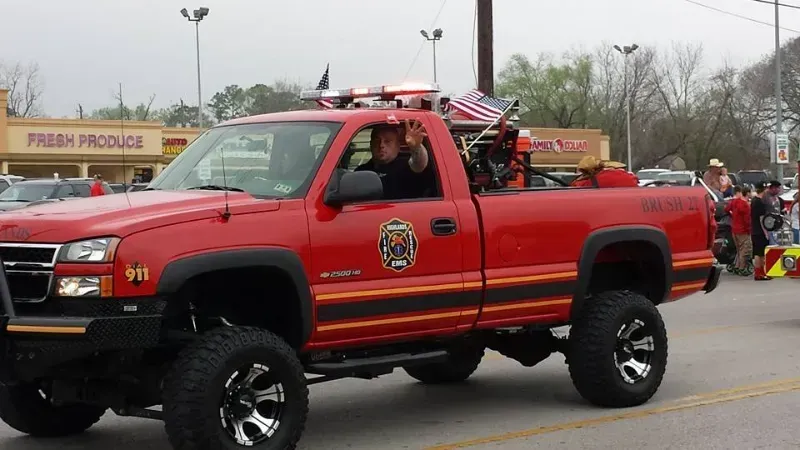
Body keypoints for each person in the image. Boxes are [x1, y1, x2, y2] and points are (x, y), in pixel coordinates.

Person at [354, 119, 436, 200]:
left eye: (387, 141)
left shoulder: (407, 168)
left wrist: (416, 148)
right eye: (377, 140)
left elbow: (419, 164)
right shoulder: (361, 172)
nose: (381, 145)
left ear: (398, 145)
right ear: (371, 144)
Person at [724, 185, 752, 275]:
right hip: (743, 230)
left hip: (734, 229)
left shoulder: (734, 202)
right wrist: (749, 230)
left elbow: (726, 209)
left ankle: (736, 265)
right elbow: (747, 220)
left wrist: (732, 216)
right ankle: (742, 267)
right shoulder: (746, 206)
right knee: (745, 249)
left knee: (739, 249)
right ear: (747, 193)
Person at [569, 156, 639, 188]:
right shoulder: (617, 173)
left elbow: (575, 188)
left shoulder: (593, 181)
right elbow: (634, 180)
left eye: (583, 173)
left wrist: (579, 179)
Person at [750, 182, 772, 281]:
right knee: (762, 253)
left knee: (757, 253)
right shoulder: (760, 202)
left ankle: (758, 272)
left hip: (754, 230)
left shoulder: (754, 201)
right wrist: (766, 232)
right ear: (764, 190)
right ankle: (761, 273)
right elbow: (761, 219)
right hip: (760, 231)